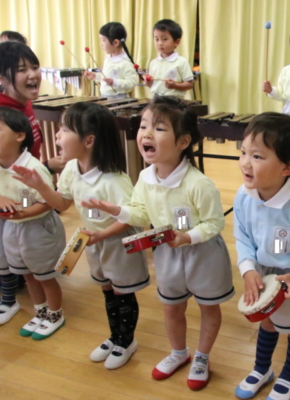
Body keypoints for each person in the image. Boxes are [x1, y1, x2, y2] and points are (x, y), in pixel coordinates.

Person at [83, 96, 234, 390]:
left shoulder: (199, 184)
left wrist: (187, 237)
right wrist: (117, 210)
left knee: (208, 307)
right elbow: (141, 213)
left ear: (183, 141)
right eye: (143, 126)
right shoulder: (144, 177)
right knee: (171, 307)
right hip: (168, 253)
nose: (146, 134)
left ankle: (201, 356)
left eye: (159, 128)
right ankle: (179, 352)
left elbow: (215, 223)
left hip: (203, 254)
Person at [12, 102, 150, 369]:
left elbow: (132, 216)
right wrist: (40, 184)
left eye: (64, 129)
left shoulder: (114, 179)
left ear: (89, 140)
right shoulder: (72, 169)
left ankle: (126, 341)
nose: (57, 135)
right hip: (94, 242)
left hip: (117, 243)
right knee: (107, 291)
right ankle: (115, 336)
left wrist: (104, 233)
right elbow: (63, 204)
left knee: (123, 294)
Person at [234, 113, 290, 400]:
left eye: (257, 156)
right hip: (260, 272)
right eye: (243, 152)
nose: (245, 162)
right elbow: (242, 236)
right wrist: (247, 269)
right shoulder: (243, 196)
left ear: (288, 167)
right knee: (266, 322)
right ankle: (262, 369)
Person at [0, 42, 64, 326]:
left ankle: (46, 309)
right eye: (22, 69)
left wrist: (45, 169)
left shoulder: (24, 102)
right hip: (10, 197)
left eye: (35, 66)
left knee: (35, 266)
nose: (33, 74)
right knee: (14, 262)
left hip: (27, 192)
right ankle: (9, 300)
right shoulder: (3, 114)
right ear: (3, 79)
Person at [82, 22, 138, 99]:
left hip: (119, 99)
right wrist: (95, 76)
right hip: (105, 96)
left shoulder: (125, 62)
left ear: (115, 42)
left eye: (103, 40)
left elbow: (131, 83)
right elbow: (107, 77)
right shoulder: (108, 58)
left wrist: (114, 82)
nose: (101, 44)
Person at [144, 19, 194, 98]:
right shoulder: (153, 62)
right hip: (156, 99)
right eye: (156, 39)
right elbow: (152, 85)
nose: (160, 43)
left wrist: (175, 85)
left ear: (176, 42)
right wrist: (147, 82)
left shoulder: (181, 62)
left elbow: (189, 85)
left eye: (165, 39)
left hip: (174, 101)